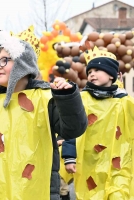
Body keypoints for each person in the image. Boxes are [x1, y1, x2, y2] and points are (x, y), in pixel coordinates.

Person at [0, 29, 87, 199]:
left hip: (36, 190)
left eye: (4, 60)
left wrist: (67, 98)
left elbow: (73, 128)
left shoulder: (45, 99)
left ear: (23, 63)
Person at [62, 43, 134, 199]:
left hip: (118, 162)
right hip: (90, 161)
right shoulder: (81, 99)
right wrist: (69, 157)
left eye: (97, 70)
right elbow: (71, 128)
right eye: (90, 71)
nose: (92, 74)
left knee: (119, 193)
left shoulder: (124, 101)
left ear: (111, 75)